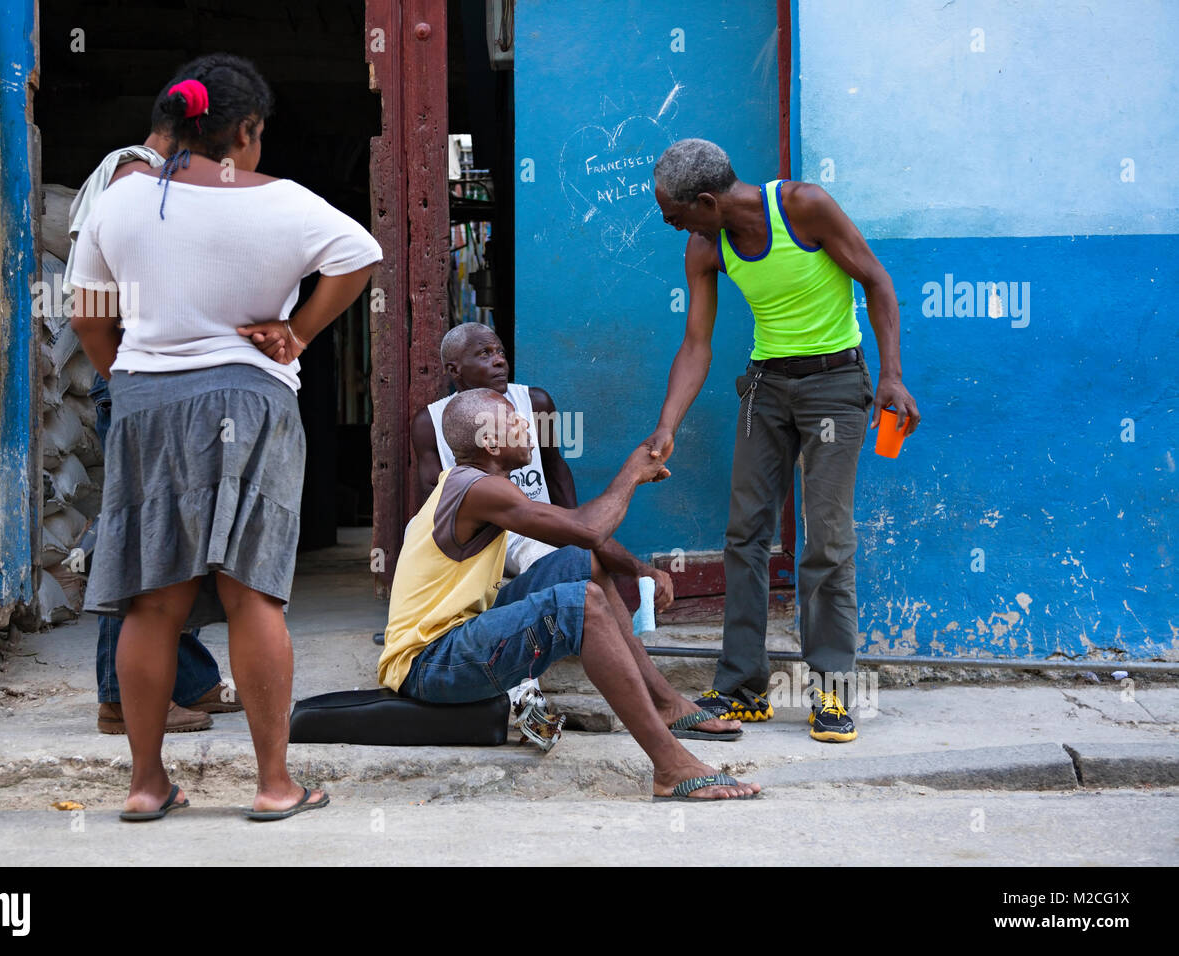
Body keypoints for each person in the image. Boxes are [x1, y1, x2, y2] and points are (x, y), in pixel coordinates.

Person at [69, 54, 381, 821]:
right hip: (251, 400)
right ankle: (275, 787)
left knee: (150, 603)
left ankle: (145, 787)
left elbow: (86, 314)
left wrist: (130, 382)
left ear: (174, 125)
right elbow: (361, 256)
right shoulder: (284, 203)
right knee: (254, 598)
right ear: (245, 132)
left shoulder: (120, 200)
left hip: (148, 402)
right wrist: (297, 333)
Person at [646, 138, 921, 743]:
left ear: (708, 201)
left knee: (826, 538)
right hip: (767, 388)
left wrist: (892, 375)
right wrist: (668, 423)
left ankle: (834, 689)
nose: (674, 228)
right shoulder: (704, 246)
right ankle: (742, 687)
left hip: (834, 384)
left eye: (676, 215)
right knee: (745, 536)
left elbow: (876, 281)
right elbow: (696, 344)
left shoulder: (804, 207)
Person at [379, 388, 759, 801]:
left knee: (580, 562)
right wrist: (632, 471)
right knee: (582, 605)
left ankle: (666, 702)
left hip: (456, 638)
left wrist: (638, 567)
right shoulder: (479, 490)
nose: (527, 426)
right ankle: (671, 767)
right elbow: (590, 527)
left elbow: (583, 542)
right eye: (514, 421)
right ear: (490, 442)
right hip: (428, 663)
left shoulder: (479, 485)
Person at [68, 123, 241, 735]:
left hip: (152, 379)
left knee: (172, 535)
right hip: (138, 379)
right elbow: (95, 304)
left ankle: (188, 679)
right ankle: (120, 697)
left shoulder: (140, 175)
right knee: (138, 538)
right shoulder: (133, 172)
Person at [412, 323, 673, 597]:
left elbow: (555, 468)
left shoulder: (535, 403)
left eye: (500, 351)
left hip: (536, 526)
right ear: (454, 370)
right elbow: (434, 509)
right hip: (478, 539)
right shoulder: (429, 424)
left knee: (579, 562)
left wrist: (573, 526)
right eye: (485, 354)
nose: (500, 359)